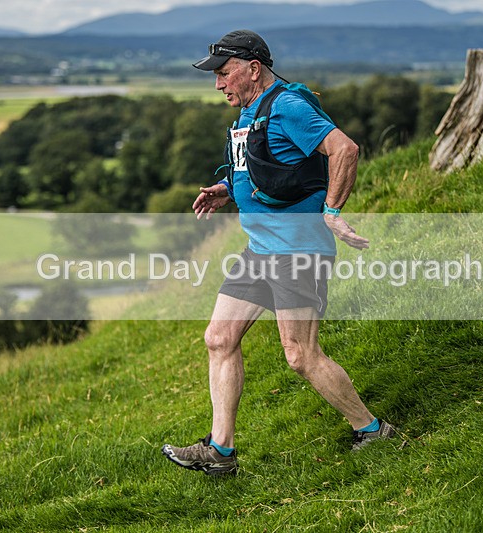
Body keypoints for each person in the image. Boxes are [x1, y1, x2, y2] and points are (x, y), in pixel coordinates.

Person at [161, 29, 395, 476]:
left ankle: (371, 430)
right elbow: (263, 164)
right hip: (260, 249)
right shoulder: (250, 111)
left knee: (300, 355)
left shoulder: (288, 106)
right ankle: (221, 451)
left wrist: (332, 211)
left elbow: (344, 149)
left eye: (224, 73)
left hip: (297, 251)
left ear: (254, 69)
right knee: (219, 338)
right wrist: (227, 188)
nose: (218, 84)